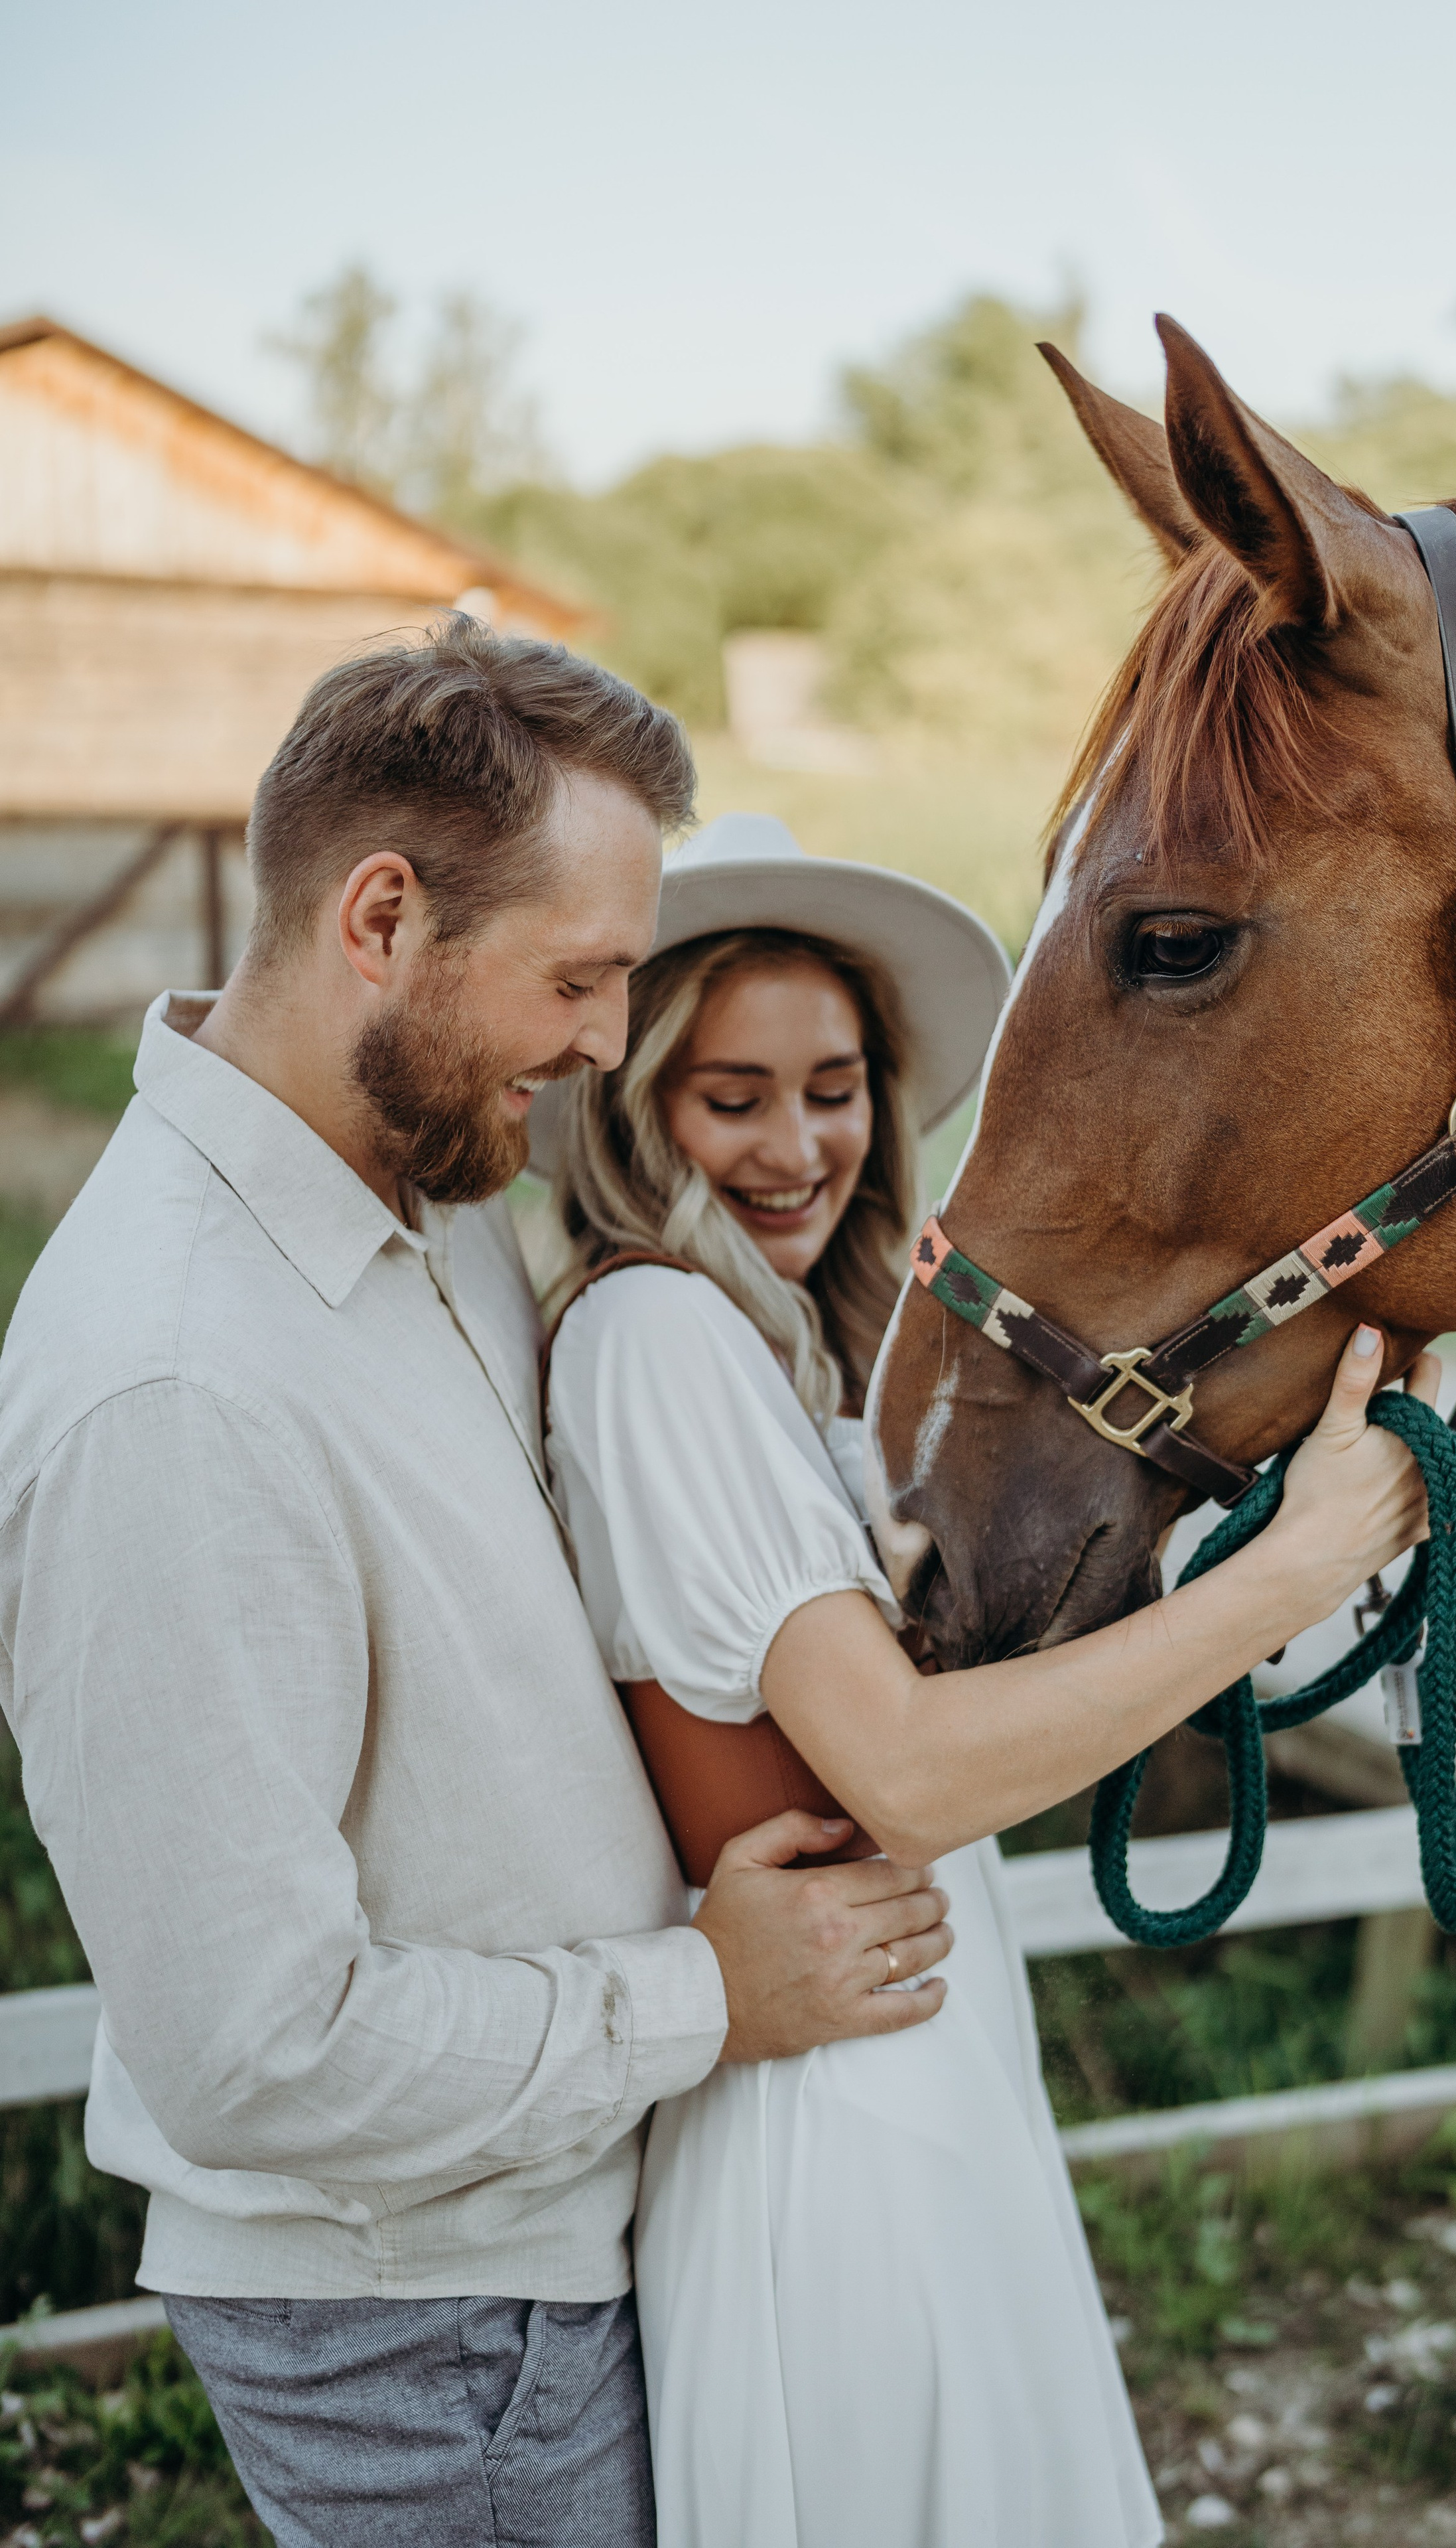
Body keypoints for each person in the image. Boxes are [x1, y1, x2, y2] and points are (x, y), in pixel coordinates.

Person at [0, 628, 957, 2548]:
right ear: (382, 919)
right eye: (582, 978)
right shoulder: (175, 1385)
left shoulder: (425, 1194)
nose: (611, 1040)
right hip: (422, 2329)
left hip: (545, 2241)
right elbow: (257, 2044)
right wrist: (706, 1994)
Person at [541, 812, 1437, 2548]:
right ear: (636, 1104)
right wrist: (1300, 1569)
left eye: (836, 1084)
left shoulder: (779, 1358)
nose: (798, 1145)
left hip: (917, 2061)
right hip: (836, 2111)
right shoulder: (654, 1340)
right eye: (731, 1097)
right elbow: (916, 1778)